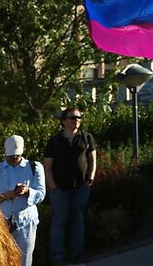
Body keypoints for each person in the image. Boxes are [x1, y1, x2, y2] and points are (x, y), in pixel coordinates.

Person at [42, 107, 95, 266]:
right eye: (72, 118)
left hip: (80, 187)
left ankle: (77, 254)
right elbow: (47, 166)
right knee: (59, 222)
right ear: (64, 121)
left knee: (77, 220)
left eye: (79, 117)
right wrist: (53, 187)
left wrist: (90, 177)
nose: (76, 120)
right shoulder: (55, 141)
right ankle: (57, 257)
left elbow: (92, 159)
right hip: (60, 189)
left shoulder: (86, 138)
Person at [0, 135, 44, 266]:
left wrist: (27, 191)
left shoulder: (34, 167)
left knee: (24, 261)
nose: (12, 159)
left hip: (26, 222)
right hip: (2, 224)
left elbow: (41, 193)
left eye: (15, 156)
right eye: (9, 156)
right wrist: (5, 196)